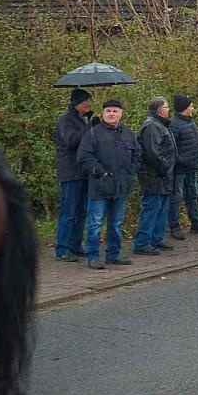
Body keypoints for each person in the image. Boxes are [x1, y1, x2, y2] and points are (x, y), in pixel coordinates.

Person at [77, 97, 141, 269]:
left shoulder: (128, 133)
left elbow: (137, 155)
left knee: (116, 222)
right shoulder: (93, 133)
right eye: (108, 111)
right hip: (99, 186)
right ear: (103, 113)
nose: (111, 114)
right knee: (95, 223)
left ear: (121, 114)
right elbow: (84, 158)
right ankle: (93, 256)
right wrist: (101, 172)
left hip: (121, 186)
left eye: (115, 111)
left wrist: (130, 173)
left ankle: (114, 253)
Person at [54, 87, 94, 261]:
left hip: (84, 171)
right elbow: (71, 141)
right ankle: (62, 248)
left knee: (81, 211)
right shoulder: (65, 120)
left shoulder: (85, 119)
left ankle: (75, 244)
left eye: (89, 101)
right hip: (70, 171)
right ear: (76, 103)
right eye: (85, 101)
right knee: (68, 212)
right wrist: (89, 129)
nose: (88, 104)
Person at [134, 97, 177, 256]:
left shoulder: (161, 125)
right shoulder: (152, 126)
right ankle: (142, 242)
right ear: (160, 110)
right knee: (151, 208)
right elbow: (152, 152)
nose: (168, 110)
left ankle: (156, 238)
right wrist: (165, 167)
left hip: (163, 175)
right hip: (153, 175)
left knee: (162, 208)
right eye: (166, 107)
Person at [168, 95, 198, 239]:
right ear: (184, 108)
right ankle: (174, 226)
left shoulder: (190, 121)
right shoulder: (174, 124)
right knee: (176, 197)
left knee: (192, 195)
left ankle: (196, 223)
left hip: (192, 166)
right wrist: (180, 161)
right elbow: (171, 148)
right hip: (179, 169)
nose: (193, 108)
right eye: (191, 106)